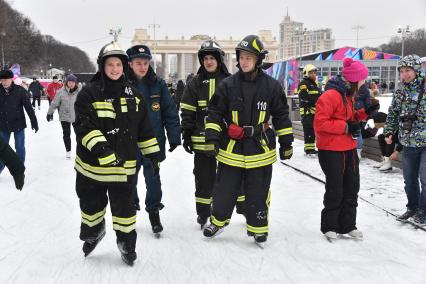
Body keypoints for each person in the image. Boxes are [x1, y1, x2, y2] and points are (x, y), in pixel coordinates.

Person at [73, 42, 160, 265]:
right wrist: (102, 149)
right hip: (92, 168)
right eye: (110, 64)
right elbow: (84, 126)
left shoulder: (134, 94)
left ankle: (127, 244)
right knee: (91, 207)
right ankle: (94, 232)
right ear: (102, 67)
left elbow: (144, 128)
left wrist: (152, 155)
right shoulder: (89, 93)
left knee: (125, 211)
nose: (114, 69)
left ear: (124, 67)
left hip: (123, 168)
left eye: (118, 64)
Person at [202, 35, 294, 245]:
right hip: (231, 148)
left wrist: (287, 142)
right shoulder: (227, 85)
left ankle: (259, 228)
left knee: (258, 192)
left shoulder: (271, 86)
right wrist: (212, 139)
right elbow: (214, 113)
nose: (244, 61)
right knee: (224, 189)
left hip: (259, 148)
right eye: (242, 57)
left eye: (249, 57)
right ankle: (217, 222)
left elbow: (281, 115)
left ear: (258, 60)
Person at [126, 44, 181, 235]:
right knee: (129, 179)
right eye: (138, 63)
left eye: (146, 63)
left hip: (153, 142)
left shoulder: (158, 84)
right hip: (129, 143)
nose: (142, 67)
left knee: (154, 180)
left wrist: (174, 136)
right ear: (130, 64)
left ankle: (154, 211)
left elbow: (170, 112)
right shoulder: (122, 84)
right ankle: (130, 209)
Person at [314, 57, 369, 241]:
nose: (364, 83)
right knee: (335, 188)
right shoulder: (330, 96)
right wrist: (346, 127)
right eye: (362, 79)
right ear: (354, 80)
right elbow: (320, 123)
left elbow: (350, 116)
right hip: (331, 150)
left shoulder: (348, 96)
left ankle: (347, 225)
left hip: (349, 148)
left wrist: (366, 113)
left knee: (352, 187)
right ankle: (330, 225)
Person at [180, 39, 231, 228]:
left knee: (227, 179)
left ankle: (224, 211)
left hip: (225, 140)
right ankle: (203, 214)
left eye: (212, 58)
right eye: (206, 58)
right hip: (201, 142)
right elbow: (187, 109)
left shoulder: (229, 81)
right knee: (203, 179)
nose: (208, 62)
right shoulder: (195, 82)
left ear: (219, 60)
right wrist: (186, 132)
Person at [384, 54, 426, 225]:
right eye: (402, 71)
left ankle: (424, 211)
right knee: (409, 179)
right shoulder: (400, 90)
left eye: (408, 70)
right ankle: (413, 207)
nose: (404, 74)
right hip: (408, 142)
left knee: (425, 178)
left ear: (416, 70)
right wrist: (388, 131)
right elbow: (393, 112)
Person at [0, 69, 38, 175]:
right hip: (3, 125)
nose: (4, 82)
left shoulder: (20, 91)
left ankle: (19, 170)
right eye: (2, 80)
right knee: (3, 150)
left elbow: (28, 107)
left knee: (19, 147)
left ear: (11, 79)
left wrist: (34, 121)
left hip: (18, 124)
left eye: (6, 80)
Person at [46, 74, 81, 159]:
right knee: (66, 134)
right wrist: (49, 113)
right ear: (66, 82)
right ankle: (68, 151)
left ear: (75, 83)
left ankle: (80, 152)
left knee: (79, 135)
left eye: (73, 82)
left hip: (76, 116)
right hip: (64, 116)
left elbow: (85, 103)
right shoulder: (61, 92)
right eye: (69, 82)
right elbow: (54, 103)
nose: (71, 84)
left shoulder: (80, 92)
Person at [297, 64, 322, 155]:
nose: (314, 74)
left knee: (313, 130)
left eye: (315, 72)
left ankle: (311, 148)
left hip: (315, 113)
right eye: (311, 73)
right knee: (309, 131)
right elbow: (303, 97)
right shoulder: (303, 84)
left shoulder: (316, 85)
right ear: (306, 73)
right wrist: (316, 102)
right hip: (307, 112)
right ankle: (309, 150)